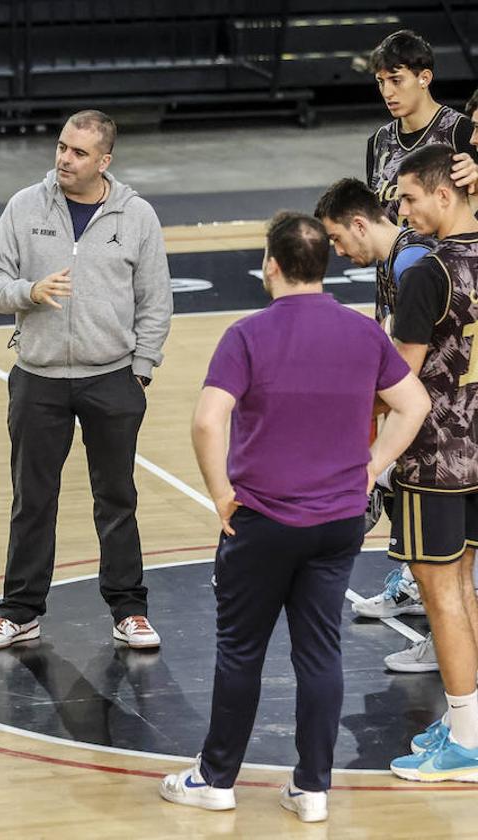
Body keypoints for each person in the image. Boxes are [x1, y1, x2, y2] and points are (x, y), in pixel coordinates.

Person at [160, 212, 428, 822]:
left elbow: (207, 421)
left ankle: (217, 779)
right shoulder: (363, 333)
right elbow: (413, 404)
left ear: (272, 266)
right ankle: (312, 790)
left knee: (240, 650)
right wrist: (370, 466)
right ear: (324, 265)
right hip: (338, 523)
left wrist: (221, 495)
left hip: (264, 520)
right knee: (319, 653)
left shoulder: (247, 335)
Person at [0, 109, 173, 651]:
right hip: (37, 380)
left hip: (112, 379)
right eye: (62, 147)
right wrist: (29, 292)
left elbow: (156, 300)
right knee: (31, 499)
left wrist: (141, 370)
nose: (64, 158)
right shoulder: (24, 206)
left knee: (117, 498)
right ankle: (20, 612)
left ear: (104, 160)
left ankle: (128, 610)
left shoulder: (137, 216)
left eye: (79, 152)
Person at [383, 144, 478, 782]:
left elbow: (396, 379)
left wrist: (367, 458)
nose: (405, 213)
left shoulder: (429, 272)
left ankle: (468, 744)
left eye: (411, 198)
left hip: (435, 460)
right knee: (464, 587)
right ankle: (466, 720)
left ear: (445, 194)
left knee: (441, 594)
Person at [314, 178, 435, 657]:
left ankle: (447, 648)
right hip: (433, 411)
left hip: (442, 418)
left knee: (442, 546)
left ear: (359, 224)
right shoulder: (400, 259)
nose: (337, 251)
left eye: (338, 239)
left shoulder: (411, 263)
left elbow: (410, 370)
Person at [366, 30, 477, 222]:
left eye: (396, 80)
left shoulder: (462, 131)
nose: (387, 92)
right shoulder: (378, 141)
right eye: (380, 82)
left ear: (424, 78)